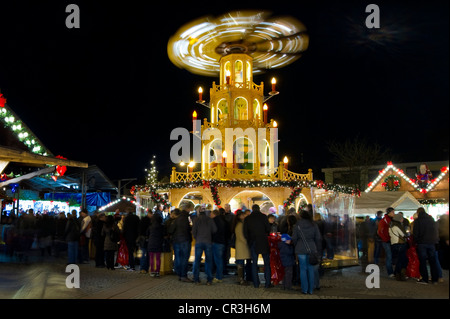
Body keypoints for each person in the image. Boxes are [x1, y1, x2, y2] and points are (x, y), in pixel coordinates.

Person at [292, 210, 322, 295]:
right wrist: (317, 249)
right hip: (312, 248)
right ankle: (311, 290)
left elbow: (294, 238)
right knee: (311, 269)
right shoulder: (314, 224)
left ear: (300, 216)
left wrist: (296, 245)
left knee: (303, 269)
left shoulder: (297, 225)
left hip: (301, 248)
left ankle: (304, 289)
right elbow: (318, 238)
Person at [243, 204, 272, 288]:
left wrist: (249, 240)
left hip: (253, 242)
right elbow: (268, 229)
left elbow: (245, 232)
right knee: (266, 263)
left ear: (252, 209)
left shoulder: (248, 219)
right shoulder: (264, 217)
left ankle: (256, 283)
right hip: (263, 241)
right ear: (259, 209)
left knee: (254, 263)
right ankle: (267, 283)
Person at [413, 207, 439, 284]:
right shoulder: (431, 220)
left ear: (418, 213)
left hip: (422, 243)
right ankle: (435, 279)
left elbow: (415, 233)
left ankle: (425, 279)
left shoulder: (418, 221)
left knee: (423, 261)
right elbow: (436, 231)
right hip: (432, 243)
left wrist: (416, 241)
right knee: (433, 261)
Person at [168, 202, 193, 282]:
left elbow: (171, 230)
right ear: (188, 208)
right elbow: (187, 229)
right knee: (184, 258)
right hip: (185, 240)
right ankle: (183, 275)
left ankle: (178, 273)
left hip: (176, 240)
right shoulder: (186, 218)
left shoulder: (177, 218)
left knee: (178, 258)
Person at [192, 209, 217, 285]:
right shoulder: (210, 220)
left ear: (199, 213)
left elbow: (193, 231)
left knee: (197, 261)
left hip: (199, 242)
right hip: (208, 242)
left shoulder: (196, 219)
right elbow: (215, 230)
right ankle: (209, 280)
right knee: (209, 261)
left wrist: (197, 237)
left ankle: (196, 279)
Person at [231, 209, 252, 285]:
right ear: (240, 216)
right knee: (240, 262)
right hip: (242, 246)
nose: (244, 216)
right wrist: (248, 243)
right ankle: (241, 279)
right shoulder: (240, 225)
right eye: (243, 215)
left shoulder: (240, 224)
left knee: (241, 262)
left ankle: (241, 278)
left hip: (241, 246)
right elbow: (241, 236)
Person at [389, 213, 408, 281]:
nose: (402, 219)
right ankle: (399, 274)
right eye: (401, 218)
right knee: (402, 260)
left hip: (393, 244)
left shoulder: (391, 226)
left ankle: (397, 273)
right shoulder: (397, 226)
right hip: (400, 244)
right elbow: (403, 234)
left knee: (398, 260)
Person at [210, 209, 228, 283]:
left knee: (218, 260)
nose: (210, 215)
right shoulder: (222, 221)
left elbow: (213, 232)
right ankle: (220, 274)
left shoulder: (214, 221)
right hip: (223, 242)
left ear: (214, 214)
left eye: (211, 213)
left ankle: (219, 277)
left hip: (217, 242)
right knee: (220, 259)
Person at [377, 207, 395, 277]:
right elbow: (380, 231)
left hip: (389, 240)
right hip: (386, 241)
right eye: (393, 212)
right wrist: (386, 239)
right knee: (389, 256)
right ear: (389, 212)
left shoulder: (389, 220)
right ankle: (390, 272)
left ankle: (391, 272)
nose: (394, 213)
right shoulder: (385, 220)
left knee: (390, 256)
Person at [147, 209, 165, 277]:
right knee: (158, 258)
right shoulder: (161, 226)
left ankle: (152, 271)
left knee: (151, 258)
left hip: (151, 242)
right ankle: (157, 271)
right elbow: (164, 234)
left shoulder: (150, 227)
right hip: (158, 243)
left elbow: (147, 234)